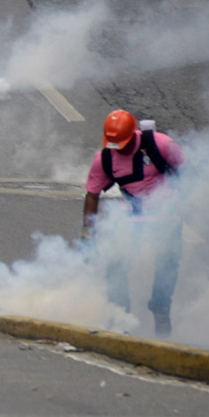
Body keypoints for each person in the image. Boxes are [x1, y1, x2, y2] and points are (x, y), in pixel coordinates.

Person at [83, 110, 185, 336]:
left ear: (133, 135)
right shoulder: (105, 158)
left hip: (166, 216)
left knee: (168, 264)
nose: (118, 149)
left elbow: (188, 173)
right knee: (116, 264)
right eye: (113, 145)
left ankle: (161, 307)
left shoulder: (162, 145)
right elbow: (92, 194)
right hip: (130, 218)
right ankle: (120, 314)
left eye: (122, 144)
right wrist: (87, 234)